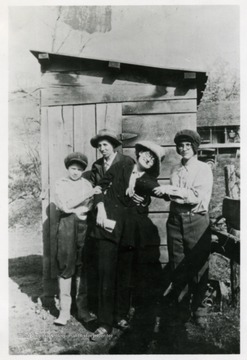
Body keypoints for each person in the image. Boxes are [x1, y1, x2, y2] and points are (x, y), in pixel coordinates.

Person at [90, 140, 165, 341]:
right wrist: (101, 209)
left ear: (153, 165)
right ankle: (104, 324)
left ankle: (120, 316)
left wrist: (152, 197)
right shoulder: (122, 165)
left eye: (153, 159)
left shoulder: (148, 180)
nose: (148, 158)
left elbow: (157, 191)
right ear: (139, 153)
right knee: (106, 275)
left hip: (129, 234)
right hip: (108, 228)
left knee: (124, 276)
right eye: (147, 154)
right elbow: (99, 187)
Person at [154, 129, 213, 324]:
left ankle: (200, 309)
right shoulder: (175, 170)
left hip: (196, 219)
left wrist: (171, 190)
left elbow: (195, 197)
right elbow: (175, 196)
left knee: (198, 264)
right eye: (181, 145)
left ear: (195, 148)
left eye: (188, 145)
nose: (184, 148)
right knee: (178, 264)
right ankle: (181, 307)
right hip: (175, 219)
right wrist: (165, 193)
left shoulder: (203, 169)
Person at [53, 152, 101, 326]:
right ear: (68, 168)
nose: (76, 172)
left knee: (83, 266)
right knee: (66, 266)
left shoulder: (86, 184)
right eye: (73, 168)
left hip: (83, 226)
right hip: (66, 226)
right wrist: (80, 201)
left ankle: (82, 310)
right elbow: (64, 205)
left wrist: (81, 206)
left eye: (79, 169)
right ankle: (64, 312)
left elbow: (88, 207)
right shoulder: (61, 183)